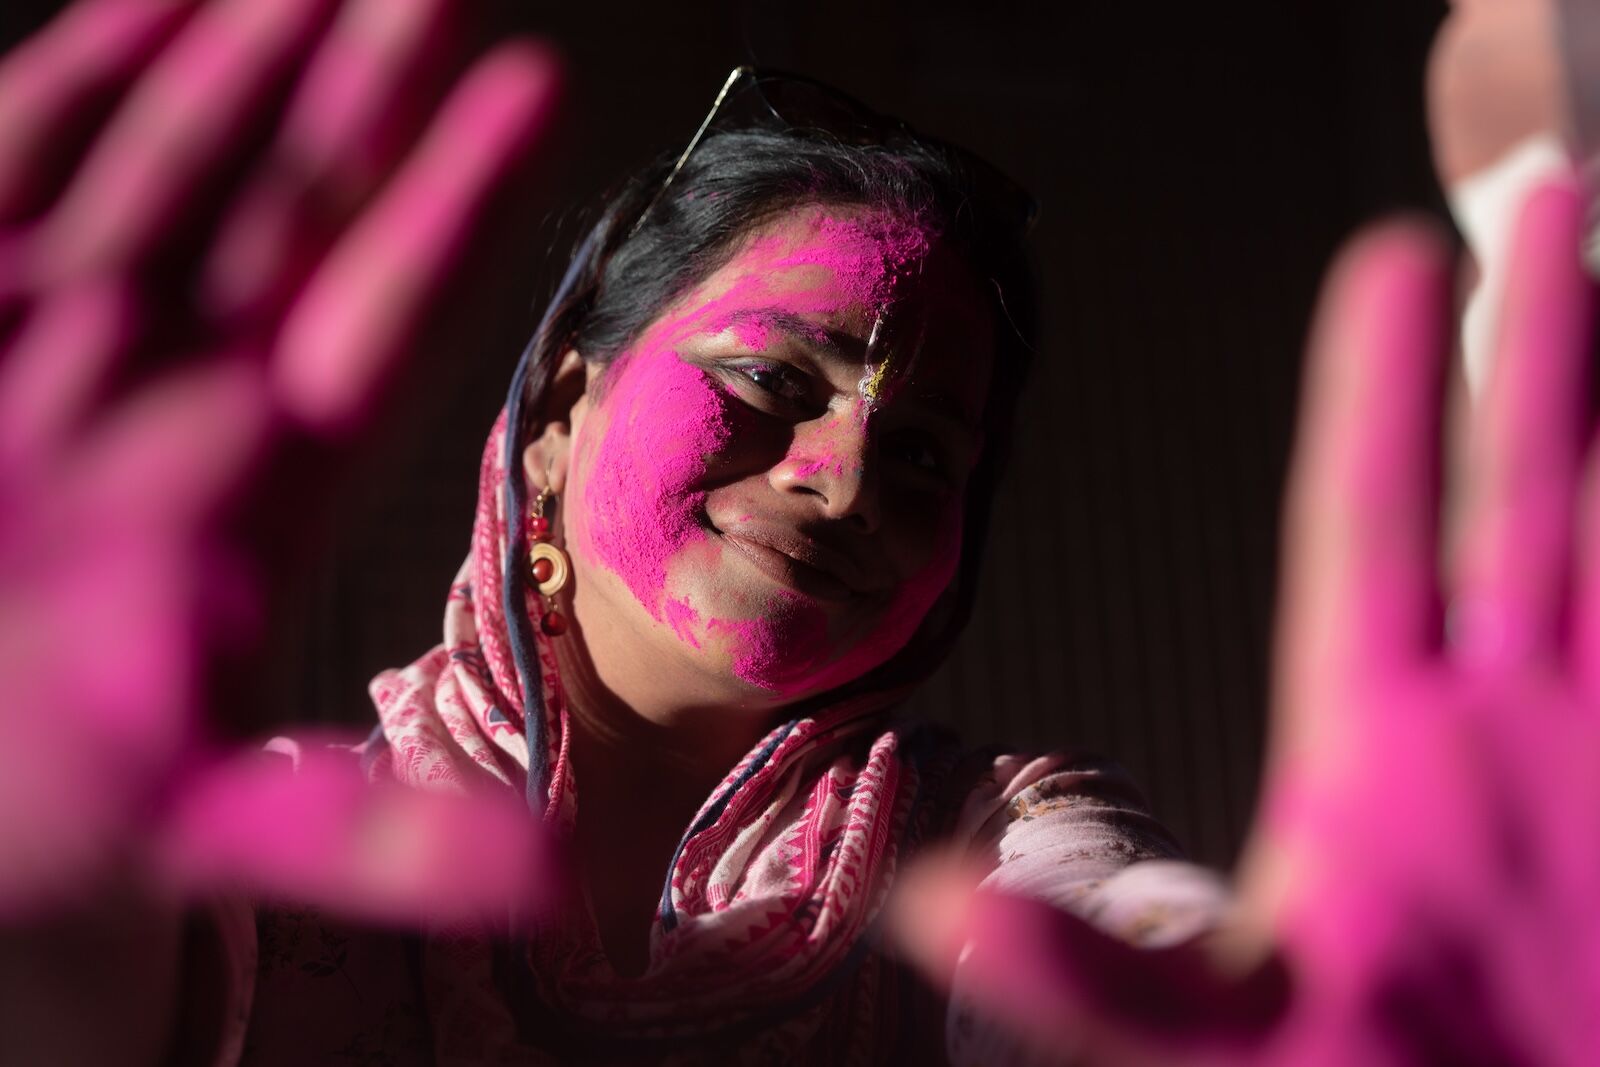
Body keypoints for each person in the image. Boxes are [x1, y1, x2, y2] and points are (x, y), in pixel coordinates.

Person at [2, 1, 1598, 1064]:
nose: (845, 479)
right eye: (773, 377)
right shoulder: (253, 868)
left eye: (924, 453)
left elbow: (1125, 930)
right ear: (556, 412)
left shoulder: (986, 843)